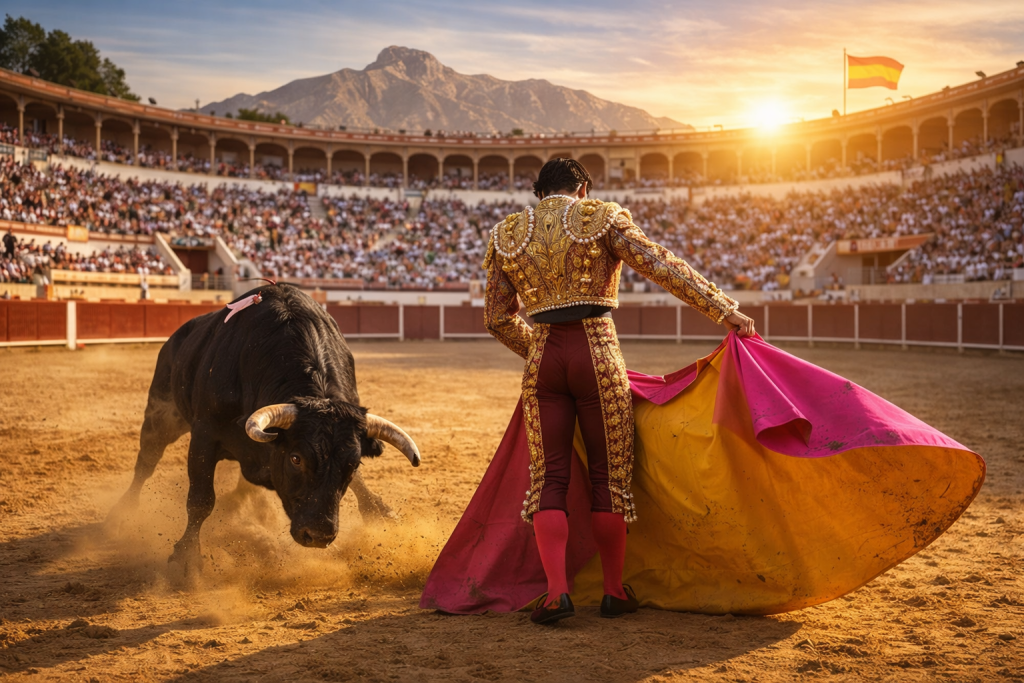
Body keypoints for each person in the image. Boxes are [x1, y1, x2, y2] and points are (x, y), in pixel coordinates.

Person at [481, 159, 754, 624]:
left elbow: (496, 317)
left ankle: (555, 595)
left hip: (544, 361)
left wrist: (538, 350)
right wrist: (723, 309)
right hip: (597, 354)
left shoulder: (506, 234)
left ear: (539, 192)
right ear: (582, 188)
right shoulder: (601, 216)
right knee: (610, 479)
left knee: (548, 480)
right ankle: (612, 591)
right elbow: (661, 265)